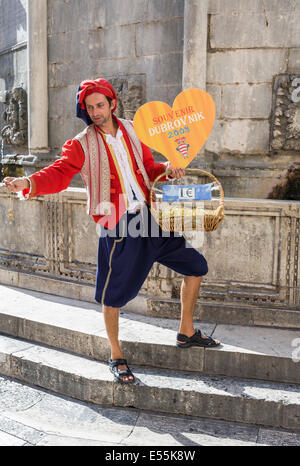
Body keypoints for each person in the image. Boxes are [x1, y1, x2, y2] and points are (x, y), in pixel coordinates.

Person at [4, 78, 220, 384]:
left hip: (153, 217)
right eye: (89, 107)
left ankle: (186, 331)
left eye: (100, 105)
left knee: (196, 266)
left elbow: (149, 168)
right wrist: (28, 183)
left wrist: (168, 169)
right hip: (119, 225)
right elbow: (61, 172)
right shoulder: (81, 143)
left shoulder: (134, 130)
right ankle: (116, 353)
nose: (95, 111)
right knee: (113, 293)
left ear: (112, 103)